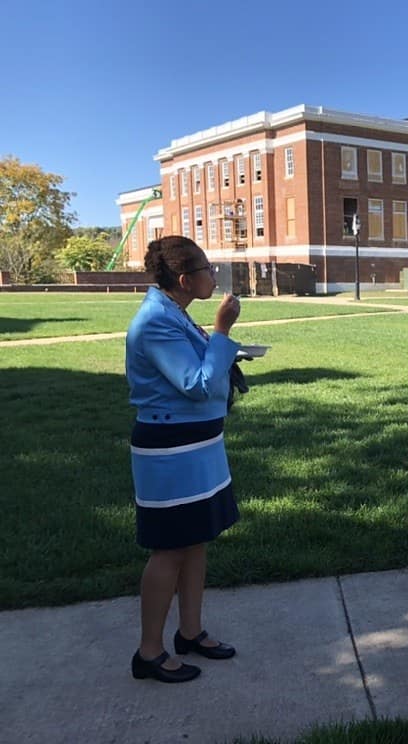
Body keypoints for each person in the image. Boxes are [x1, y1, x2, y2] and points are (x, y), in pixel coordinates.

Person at [126, 236, 242, 683]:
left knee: (195, 541)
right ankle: (149, 652)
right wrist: (223, 333)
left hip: (197, 447)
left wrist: (221, 345)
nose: (214, 275)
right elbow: (196, 383)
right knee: (169, 549)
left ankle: (190, 633)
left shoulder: (174, 314)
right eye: (208, 268)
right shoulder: (156, 321)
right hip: (169, 452)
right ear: (183, 279)